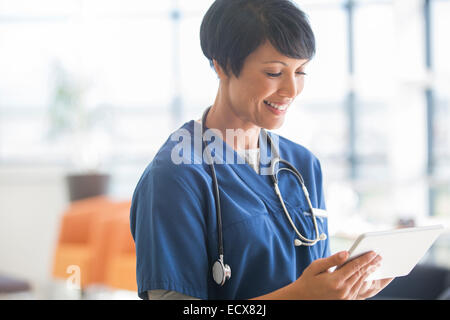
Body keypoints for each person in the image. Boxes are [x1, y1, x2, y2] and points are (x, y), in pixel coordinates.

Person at [130, 0, 393, 300]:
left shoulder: (303, 165)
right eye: (274, 73)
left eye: (301, 71)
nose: (291, 90)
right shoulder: (176, 176)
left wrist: (344, 289)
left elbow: (313, 279)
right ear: (221, 64)